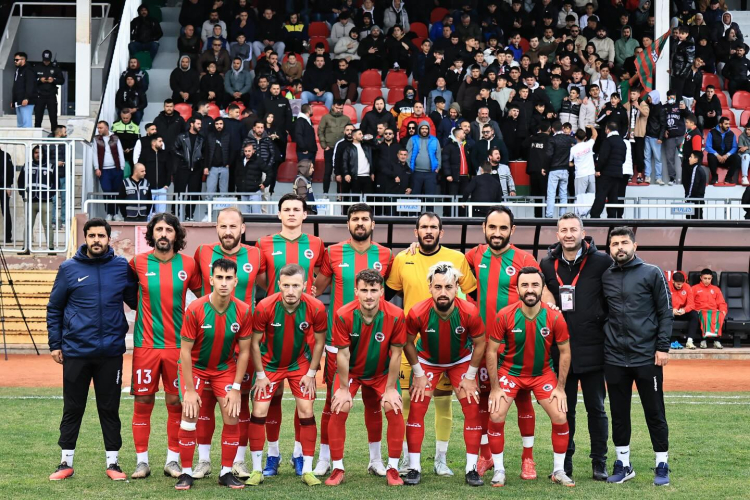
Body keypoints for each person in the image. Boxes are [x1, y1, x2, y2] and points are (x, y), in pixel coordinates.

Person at [386, 212, 477, 477]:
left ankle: (440, 459)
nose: (429, 231)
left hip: (451, 344)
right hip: (414, 345)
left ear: (441, 232)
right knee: (408, 400)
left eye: (433, 227)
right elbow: (387, 294)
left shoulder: (457, 258)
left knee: (444, 402)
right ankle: (408, 459)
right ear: (416, 232)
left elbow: (472, 295)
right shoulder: (403, 258)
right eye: (424, 227)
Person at [47, 218, 138, 481]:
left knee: (109, 408)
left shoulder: (121, 267)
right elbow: (55, 307)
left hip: (110, 352)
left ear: (109, 239)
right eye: (92, 235)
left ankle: (113, 463)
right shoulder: (69, 268)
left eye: (101, 235)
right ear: (85, 238)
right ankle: (65, 462)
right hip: (76, 351)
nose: (96, 240)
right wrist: (55, 344)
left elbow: (137, 301)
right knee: (73, 407)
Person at [464, 206, 551, 478]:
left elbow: (543, 292)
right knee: (484, 401)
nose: (497, 233)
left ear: (512, 230)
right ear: (484, 228)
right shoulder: (474, 255)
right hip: (483, 346)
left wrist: (553, 316)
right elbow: (447, 262)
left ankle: (528, 458)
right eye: (492, 227)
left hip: (516, 347)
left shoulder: (524, 258)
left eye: (503, 228)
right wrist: (413, 248)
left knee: (523, 401)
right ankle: (486, 455)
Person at [311, 204, 394, 476]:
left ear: (373, 224)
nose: (360, 223)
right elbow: (316, 290)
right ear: (348, 224)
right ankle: (325, 458)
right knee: (332, 401)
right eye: (355, 219)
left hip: (375, 342)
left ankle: (376, 460)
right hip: (339, 342)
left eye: (365, 219)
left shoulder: (386, 254)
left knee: (373, 402)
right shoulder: (333, 252)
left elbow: (391, 290)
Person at [126, 214, 200, 481]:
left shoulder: (189, 264)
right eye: (159, 229)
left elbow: (202, 299)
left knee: (175, 402)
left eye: (169, 229)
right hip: (145, 345)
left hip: (178, 346)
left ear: (176, 234)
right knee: (143, 401)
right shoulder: (137, 263)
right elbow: (127, 294)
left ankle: (172, 460)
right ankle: (142, 462)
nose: (164, 234)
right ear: (152, 234)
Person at [486, 266, 574, 487]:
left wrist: (560, 388)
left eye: (535, 284)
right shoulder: (505, 315)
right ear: (517, 289)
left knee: (560, 416)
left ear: (542, 288)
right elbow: (491, 351)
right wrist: (495, 388)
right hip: (510, 372)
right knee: (496, 414)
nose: (530, 289)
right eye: (524, 285)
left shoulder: (555, 316)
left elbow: (565, 352)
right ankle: (499, 470)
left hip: (541, 374)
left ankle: (558, 471)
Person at [539, 213, 612, 480]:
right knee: (563, 410)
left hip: (593, 347)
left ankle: (599, 462)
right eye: (564, 230)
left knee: (597, 410)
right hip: (560, 351)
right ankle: (565, 461)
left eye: (573, 229)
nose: (568, 234)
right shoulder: (547, 263)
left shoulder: (602, 261)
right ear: (557, 234)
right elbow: (540, 291)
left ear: (583, 232)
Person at [191, 207, 263, 479]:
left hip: (242, 340)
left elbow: (268, 285)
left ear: (243, 228)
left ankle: (238, 461)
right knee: (206, 402)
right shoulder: (202, 252)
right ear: (216, 228)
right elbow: (196, 287)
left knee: (239, 401)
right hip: (209, 339)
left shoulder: (256, 254)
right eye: (223, 226)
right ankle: (203, 460)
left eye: (233, 226)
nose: (228, 231)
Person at [402, 262, 486, 487]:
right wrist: (418, 372)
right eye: (438, 287)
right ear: (429, 287)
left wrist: (471, 376)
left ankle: (471, 469)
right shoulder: (417, 312)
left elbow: (480, 343)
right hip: (427, 361)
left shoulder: (469, 311)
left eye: (448, 287)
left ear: (457, 287)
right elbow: (407, 343)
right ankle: (414, 467)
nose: (443, 292)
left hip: (461, 361)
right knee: (416, 408)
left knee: (472, 409)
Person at [602, 226, 672, 486]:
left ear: (634, 246)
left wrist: (662, 347)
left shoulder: (652, 272)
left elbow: (665, 311)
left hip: (647, 357)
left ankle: (662, 464)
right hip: (614, 358)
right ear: (609, 248)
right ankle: (623, 465)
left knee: (654, 412)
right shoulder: (606, 276)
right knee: (619, 414)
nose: (619, 247)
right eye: (614, 244)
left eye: (624, 243)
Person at [174, 258, 252, 490]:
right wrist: (189, 390)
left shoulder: (243, 310)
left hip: (224, 368)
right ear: (211, 280)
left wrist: (236, 388)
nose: (224, 283)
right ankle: (186, 473)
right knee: (189, 416)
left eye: (228, 278)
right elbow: (185, 351)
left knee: (232, 414)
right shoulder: (196, 308)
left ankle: (226, 472)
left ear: (236, 281)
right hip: (195, 367)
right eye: (219, 277)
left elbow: (244, 352)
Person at [323, 269, 405, 486]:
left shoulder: (396, 315)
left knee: (394, 406)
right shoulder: (343, 314)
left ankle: (391, 467)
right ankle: (337, 467)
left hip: (382, 372)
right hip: (352, 372)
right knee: (339, 407)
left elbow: (396, 354)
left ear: (382, 292)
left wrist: (390, 389)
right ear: (356, 291)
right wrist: (343, 388)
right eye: (364, 290)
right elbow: (343, 354)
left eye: (374, 290)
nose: (369, 296)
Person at [246, 264, 327, 486]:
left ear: (305, 286)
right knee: (259, 410)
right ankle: (258, 468)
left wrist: (311, 373)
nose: (291, 291)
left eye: (296, 286)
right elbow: (254, 343)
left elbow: (319, 342)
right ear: (279, 285)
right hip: (269, 364)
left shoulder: (316, 307)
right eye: (286, 285)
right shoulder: (264, 306)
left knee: (306, 409)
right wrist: (260, 375)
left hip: (298, 363)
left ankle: (307, 469)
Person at [18, 146, 55, 250]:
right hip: (30, 200)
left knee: (47, 225)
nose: (38, 155)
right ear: (33, 154)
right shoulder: (27, 166)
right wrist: (23, 194)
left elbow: (55, 183)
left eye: (40, 153)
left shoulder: (50, 166)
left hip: (46, 201)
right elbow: (20, 181)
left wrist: (50, 194)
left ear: (44, 154)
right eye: (36, 152)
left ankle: (51, 248)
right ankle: (25, 248)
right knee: (28, 225)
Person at [591, 122, 627, 219]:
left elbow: (603, 158)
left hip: (606, 173)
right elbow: (623, 159)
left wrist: (598, 169)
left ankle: (595, 217)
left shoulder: (607, 141)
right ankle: (612, 218)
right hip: (617, 173)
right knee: (613, 197)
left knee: (601, 195)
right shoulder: (622, 142)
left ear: (607, 130)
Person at [92, 121, 126, 221]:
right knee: (107, 191)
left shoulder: (115, 137)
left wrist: (122, 167)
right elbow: (95, 154)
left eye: (101, 128)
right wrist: (97, 168)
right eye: (98, 128)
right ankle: (109, 213)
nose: (99, 130)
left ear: (106, 128)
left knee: (116, 192)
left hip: (116, 169)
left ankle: (115, 213)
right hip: (104, 170)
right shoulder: (96, 139)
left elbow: (120, 152)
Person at [172, 116, 205, 221]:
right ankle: (174, 214)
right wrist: (183, 157)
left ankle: (189, 215)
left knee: (193, 194)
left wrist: (200, 160)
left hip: (196, 169)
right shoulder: (181, 136)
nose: (200, 126)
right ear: (191, 124)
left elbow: (204, 152)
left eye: (200, 124)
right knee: (178, 192)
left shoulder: (201, 138)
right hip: (183, 167)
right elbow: (174, 148)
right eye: (198, 124)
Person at [318, 100, 352, 194]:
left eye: (341, 108)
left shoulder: (346, 119)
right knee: (327, 172)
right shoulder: (326, 117)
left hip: (342, 150)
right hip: (329, 148)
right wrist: (324, 146)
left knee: (340, 172)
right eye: (337, 108)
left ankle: (339, 195)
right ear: (333, 106)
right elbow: (320, 131)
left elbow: (351, 132)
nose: (339, 110)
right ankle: (325, 194)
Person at [692, 268, 727, 349]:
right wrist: (695, 310)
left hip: (713, 311)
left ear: (711, 278)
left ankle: (717, 341)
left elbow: (721, 302)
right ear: (701, 278)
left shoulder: (716, 289)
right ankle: (703, 340)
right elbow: (690, 302)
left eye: (709, 279)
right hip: (700, 311)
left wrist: (723, 310)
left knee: (720, 315)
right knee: (705, 315)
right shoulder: (694, 288)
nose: (707, 281)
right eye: (705, 278)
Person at [547, 121, 576, 219]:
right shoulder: (569, 139)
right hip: (565, 169)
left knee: (551, 193)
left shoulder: (552, 139)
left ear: (552, 129)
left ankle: (549, 215)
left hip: (554, 170)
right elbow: (575, 142)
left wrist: (546, 167)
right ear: (562, 128)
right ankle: (563, 215)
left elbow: (549, 155)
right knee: (563, 194)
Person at [523, 121, 551, 218]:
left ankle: (537, 218)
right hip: (544, 171)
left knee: (536, 196)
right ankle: (544, 217)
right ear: (549, 129)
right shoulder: (549, 139)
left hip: (533, 170)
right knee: (544, 195)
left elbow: (523, 146)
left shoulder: (532, 138)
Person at [407, 121, 442, 195]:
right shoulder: (412, 139)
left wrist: (438, 168)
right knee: (415, 196)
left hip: (431, 173)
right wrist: (409, 168)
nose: (424, 130)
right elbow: (408, 155)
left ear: (429, 129)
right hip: (416, 172)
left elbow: (438, 155)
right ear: (419, 129)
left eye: (426, 128)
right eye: (422, 128)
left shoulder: (435, 140)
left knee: (430, 196)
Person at [569, 126, 597, 214]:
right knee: (591, 198)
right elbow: (595, 135)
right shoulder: (589, 144)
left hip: (580, 175)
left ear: (575, 137)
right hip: (591, 175)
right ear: (585, 137)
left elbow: (569, 163)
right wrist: (592, 127)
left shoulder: (573, 149)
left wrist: (575, 164)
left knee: (579, 198)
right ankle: (589, 216)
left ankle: (578, 216)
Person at [235, 142, 268, 214]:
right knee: (245, 216)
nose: (247, 153)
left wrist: (265, 184)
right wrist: (239, 186)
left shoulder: (258, 160)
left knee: (256, 215)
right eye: (245, 151)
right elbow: (237, 174)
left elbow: (270, 172)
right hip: (243, 192)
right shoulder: (240, 160)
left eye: (249, 151)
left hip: (255, 192)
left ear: (253, 151)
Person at [34, 49, 64, 129]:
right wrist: (39, 80)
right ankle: (37, 135)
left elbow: (62, 81)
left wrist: (53, 80)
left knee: (53, 118)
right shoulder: (37, 67)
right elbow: (31, 80)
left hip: (51, 95)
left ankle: (54, 135)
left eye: (47, 60)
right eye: (45, 60)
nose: (46, 62)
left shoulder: (55, 68)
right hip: (39, 96)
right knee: (38, 118)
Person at [706, 116, 741, 184]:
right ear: (720, 124)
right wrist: (717, 155)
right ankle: (714, 177)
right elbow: (708, 146)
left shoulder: (731, 134)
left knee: (737, 158)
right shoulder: (712, 132)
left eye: (729, 124)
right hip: (716, 158)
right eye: (726, 124)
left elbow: (734, 147)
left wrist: (727, 155)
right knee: (710, 156)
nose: (728, 126)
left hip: (726, 158)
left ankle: (728, 178)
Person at [670, 271, 700, 350]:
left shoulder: (687, 287)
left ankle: (689, 341)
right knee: (664, 314)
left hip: (682, 311)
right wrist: (671, 310)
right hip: (671, 311)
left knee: (694, 314)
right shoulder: (667, 287)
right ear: (673, 281)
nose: (680, 286)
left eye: (681, 284)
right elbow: (662, 302)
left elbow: (691, 304)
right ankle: (671, 340)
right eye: (678, 284)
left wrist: (684, 310)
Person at [341, 128, 374, 196]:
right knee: (356, 198)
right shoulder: (348, 148)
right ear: (354, 137)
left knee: (369, 199)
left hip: (367, 176)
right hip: (355, 177)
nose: (362, 135)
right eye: (360, 134)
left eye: (362, 134)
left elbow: (376, 147)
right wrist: (346, 173)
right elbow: (344, 161)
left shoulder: (366, 146)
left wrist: (372, 138)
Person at [12, 51, 37, 128]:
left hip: (26, 101)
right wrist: (13, 100)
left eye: (17, 60)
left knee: (26, 124)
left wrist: (26, 98)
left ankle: (28, 137)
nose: (15, 61)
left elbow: (30, 85)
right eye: (14, 60)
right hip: (19, 101)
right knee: (20, 124)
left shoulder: (29, 70)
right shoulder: (17, 71)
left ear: (23, 60)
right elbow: (16, 87)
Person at [0, 146, 14, 243]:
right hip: (4, 186)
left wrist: (8, 185)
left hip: (3, 187)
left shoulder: (5, 155)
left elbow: (10, 171)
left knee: (5, 211)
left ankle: (8, 237)